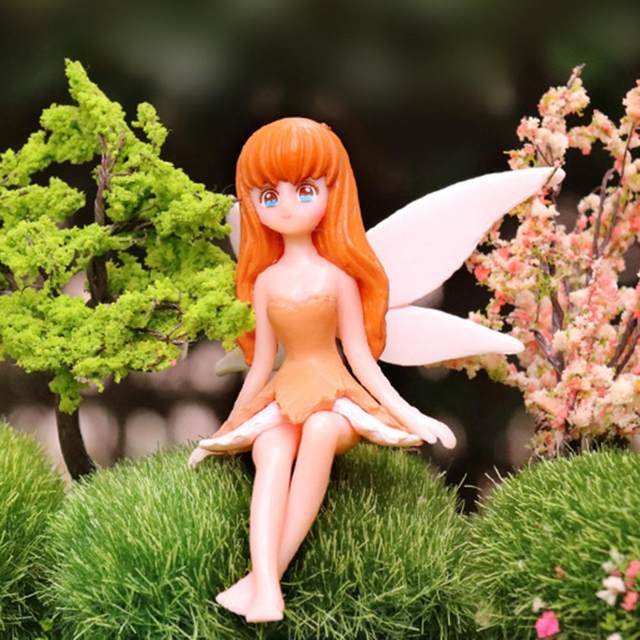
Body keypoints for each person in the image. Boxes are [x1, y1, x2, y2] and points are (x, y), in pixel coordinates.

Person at [188, 117, 456, 623]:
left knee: (320, 430)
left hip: (335, 395)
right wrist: (222, 433)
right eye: (270, 196)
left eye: (305, 190)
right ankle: (265, 586)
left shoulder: (339, 279)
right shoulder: (264, 282)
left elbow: (360, 358)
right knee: (270, 450)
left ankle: (264, 582)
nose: (287, 205)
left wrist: (411, 415)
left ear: (333, 193)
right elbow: (260, 366)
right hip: (282, 394)